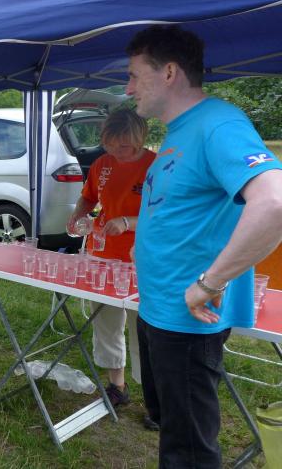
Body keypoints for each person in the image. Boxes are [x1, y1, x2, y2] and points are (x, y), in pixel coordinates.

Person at [127, 25, 282, 467]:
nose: (128, 88)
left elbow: (274, 202)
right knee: (170, 425)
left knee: (189, 452)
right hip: (158, 307)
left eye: (135, 75)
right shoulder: (179, 130)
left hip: (188, 320)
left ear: (169, 72)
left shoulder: (219, 123)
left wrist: (210, 281)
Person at [66, 108, 155, 409]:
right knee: (105, 319)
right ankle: (117, 384)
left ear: (140, 138)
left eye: (124, 146)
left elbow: (166, 214)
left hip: (142, 257)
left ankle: (153, 395)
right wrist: (78, 214)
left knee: (144, 325)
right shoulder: (102, 164)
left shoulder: (156, 166)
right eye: (111, 145)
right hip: (102, 255)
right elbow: (89, 196)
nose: (117, 151)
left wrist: (128, 222)